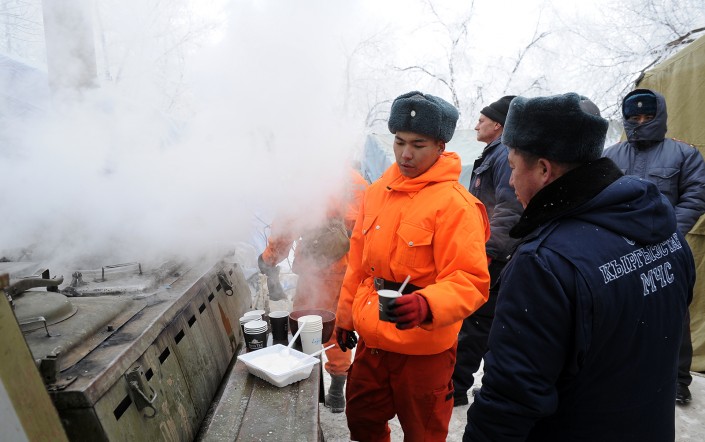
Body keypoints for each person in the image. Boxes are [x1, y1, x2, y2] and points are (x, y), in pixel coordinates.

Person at [463, 93, 695, 441]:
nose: (510, 181)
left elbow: (511, 397)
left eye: (513, 167)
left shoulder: (544, 263)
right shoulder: (666, 233)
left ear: (543, 170)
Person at [335, 90, 491, 441]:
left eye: (418, 145)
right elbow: (358, 263)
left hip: (424, 351)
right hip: (373, 343)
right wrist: (345, 316)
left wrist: (427, 304)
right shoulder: (376, 192)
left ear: (440, 146)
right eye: (399, 141)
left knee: (424, 433)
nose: (406, 154)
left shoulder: (456, 205)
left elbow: (470, 279)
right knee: (362, 421)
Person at [603, 88, 705, 405]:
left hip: (667, 248)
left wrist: (669, 232)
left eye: (648, 116)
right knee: (622, 311)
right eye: (634, 117)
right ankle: (625, 373)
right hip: (621, 249)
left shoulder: (684, 154)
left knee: (673, 313)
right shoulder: (610, 156)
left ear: (660, 116)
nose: (641, 122)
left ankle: (678, 379)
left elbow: (695, 196)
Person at [257, 167, 368, 413]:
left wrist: (268, 258)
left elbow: (285, 229)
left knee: (307, 326)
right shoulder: (357, 181)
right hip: (351, 269)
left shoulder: (305, 182)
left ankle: (308, 390)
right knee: (340, 325)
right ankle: (337, 391)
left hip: (315, 270)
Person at [452, 95, 524, 406]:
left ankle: (455, 389)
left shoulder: (504, 154)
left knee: (477, 324)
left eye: (481, 120)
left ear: (498, 125)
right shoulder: (494, 153)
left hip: (495, 255)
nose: (476, 125)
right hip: (489, 250)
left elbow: (509, 209)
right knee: (482, 323)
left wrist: (487, 252)